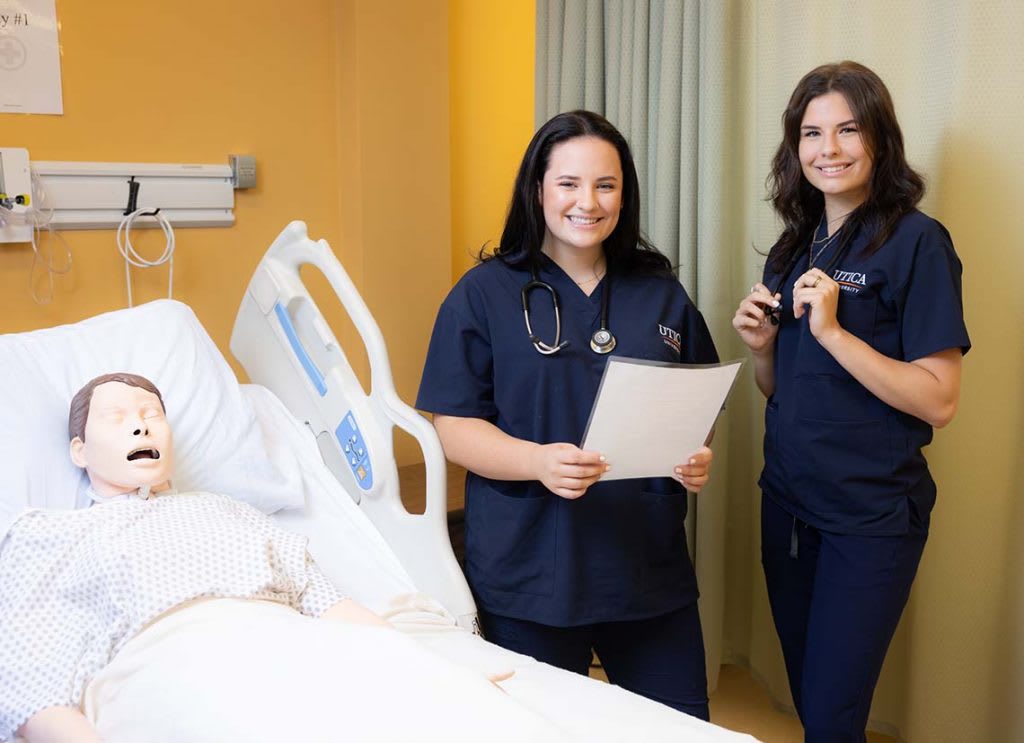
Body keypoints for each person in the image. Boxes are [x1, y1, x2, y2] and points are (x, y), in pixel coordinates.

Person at [5, 373, 524, 743]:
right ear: (78, 451)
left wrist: (428, 668)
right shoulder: (52, 538)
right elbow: (34, 684)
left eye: (151, 416)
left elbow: (323, 601)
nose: (141, 428)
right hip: (172, 668)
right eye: (118, 419)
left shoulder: (225, 510)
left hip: (291, 646)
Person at [416, 110, 718, 719]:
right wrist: (536, 462)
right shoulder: (482, 295)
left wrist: (693, 454)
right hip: (532, 572)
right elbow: (452, 425)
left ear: (623, 194)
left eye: (606, 185)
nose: (588, 202)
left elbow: (693, 402)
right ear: (537, 190)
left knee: (679, 727)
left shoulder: (659, 292)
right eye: (569, 184)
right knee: (545, 728)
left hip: (645, 567)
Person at [732, 62, 970, 741]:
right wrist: (761, 348)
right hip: (787, 504)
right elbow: (784, 391)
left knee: (834, 716)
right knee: (813, 699)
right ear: (794, 147)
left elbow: (939, 399)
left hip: (867, 519)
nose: (828, 149)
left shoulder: (918, 243)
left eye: (847, 129)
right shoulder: (792, 247)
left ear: (879, 140)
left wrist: (833, 333)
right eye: (811, 132)